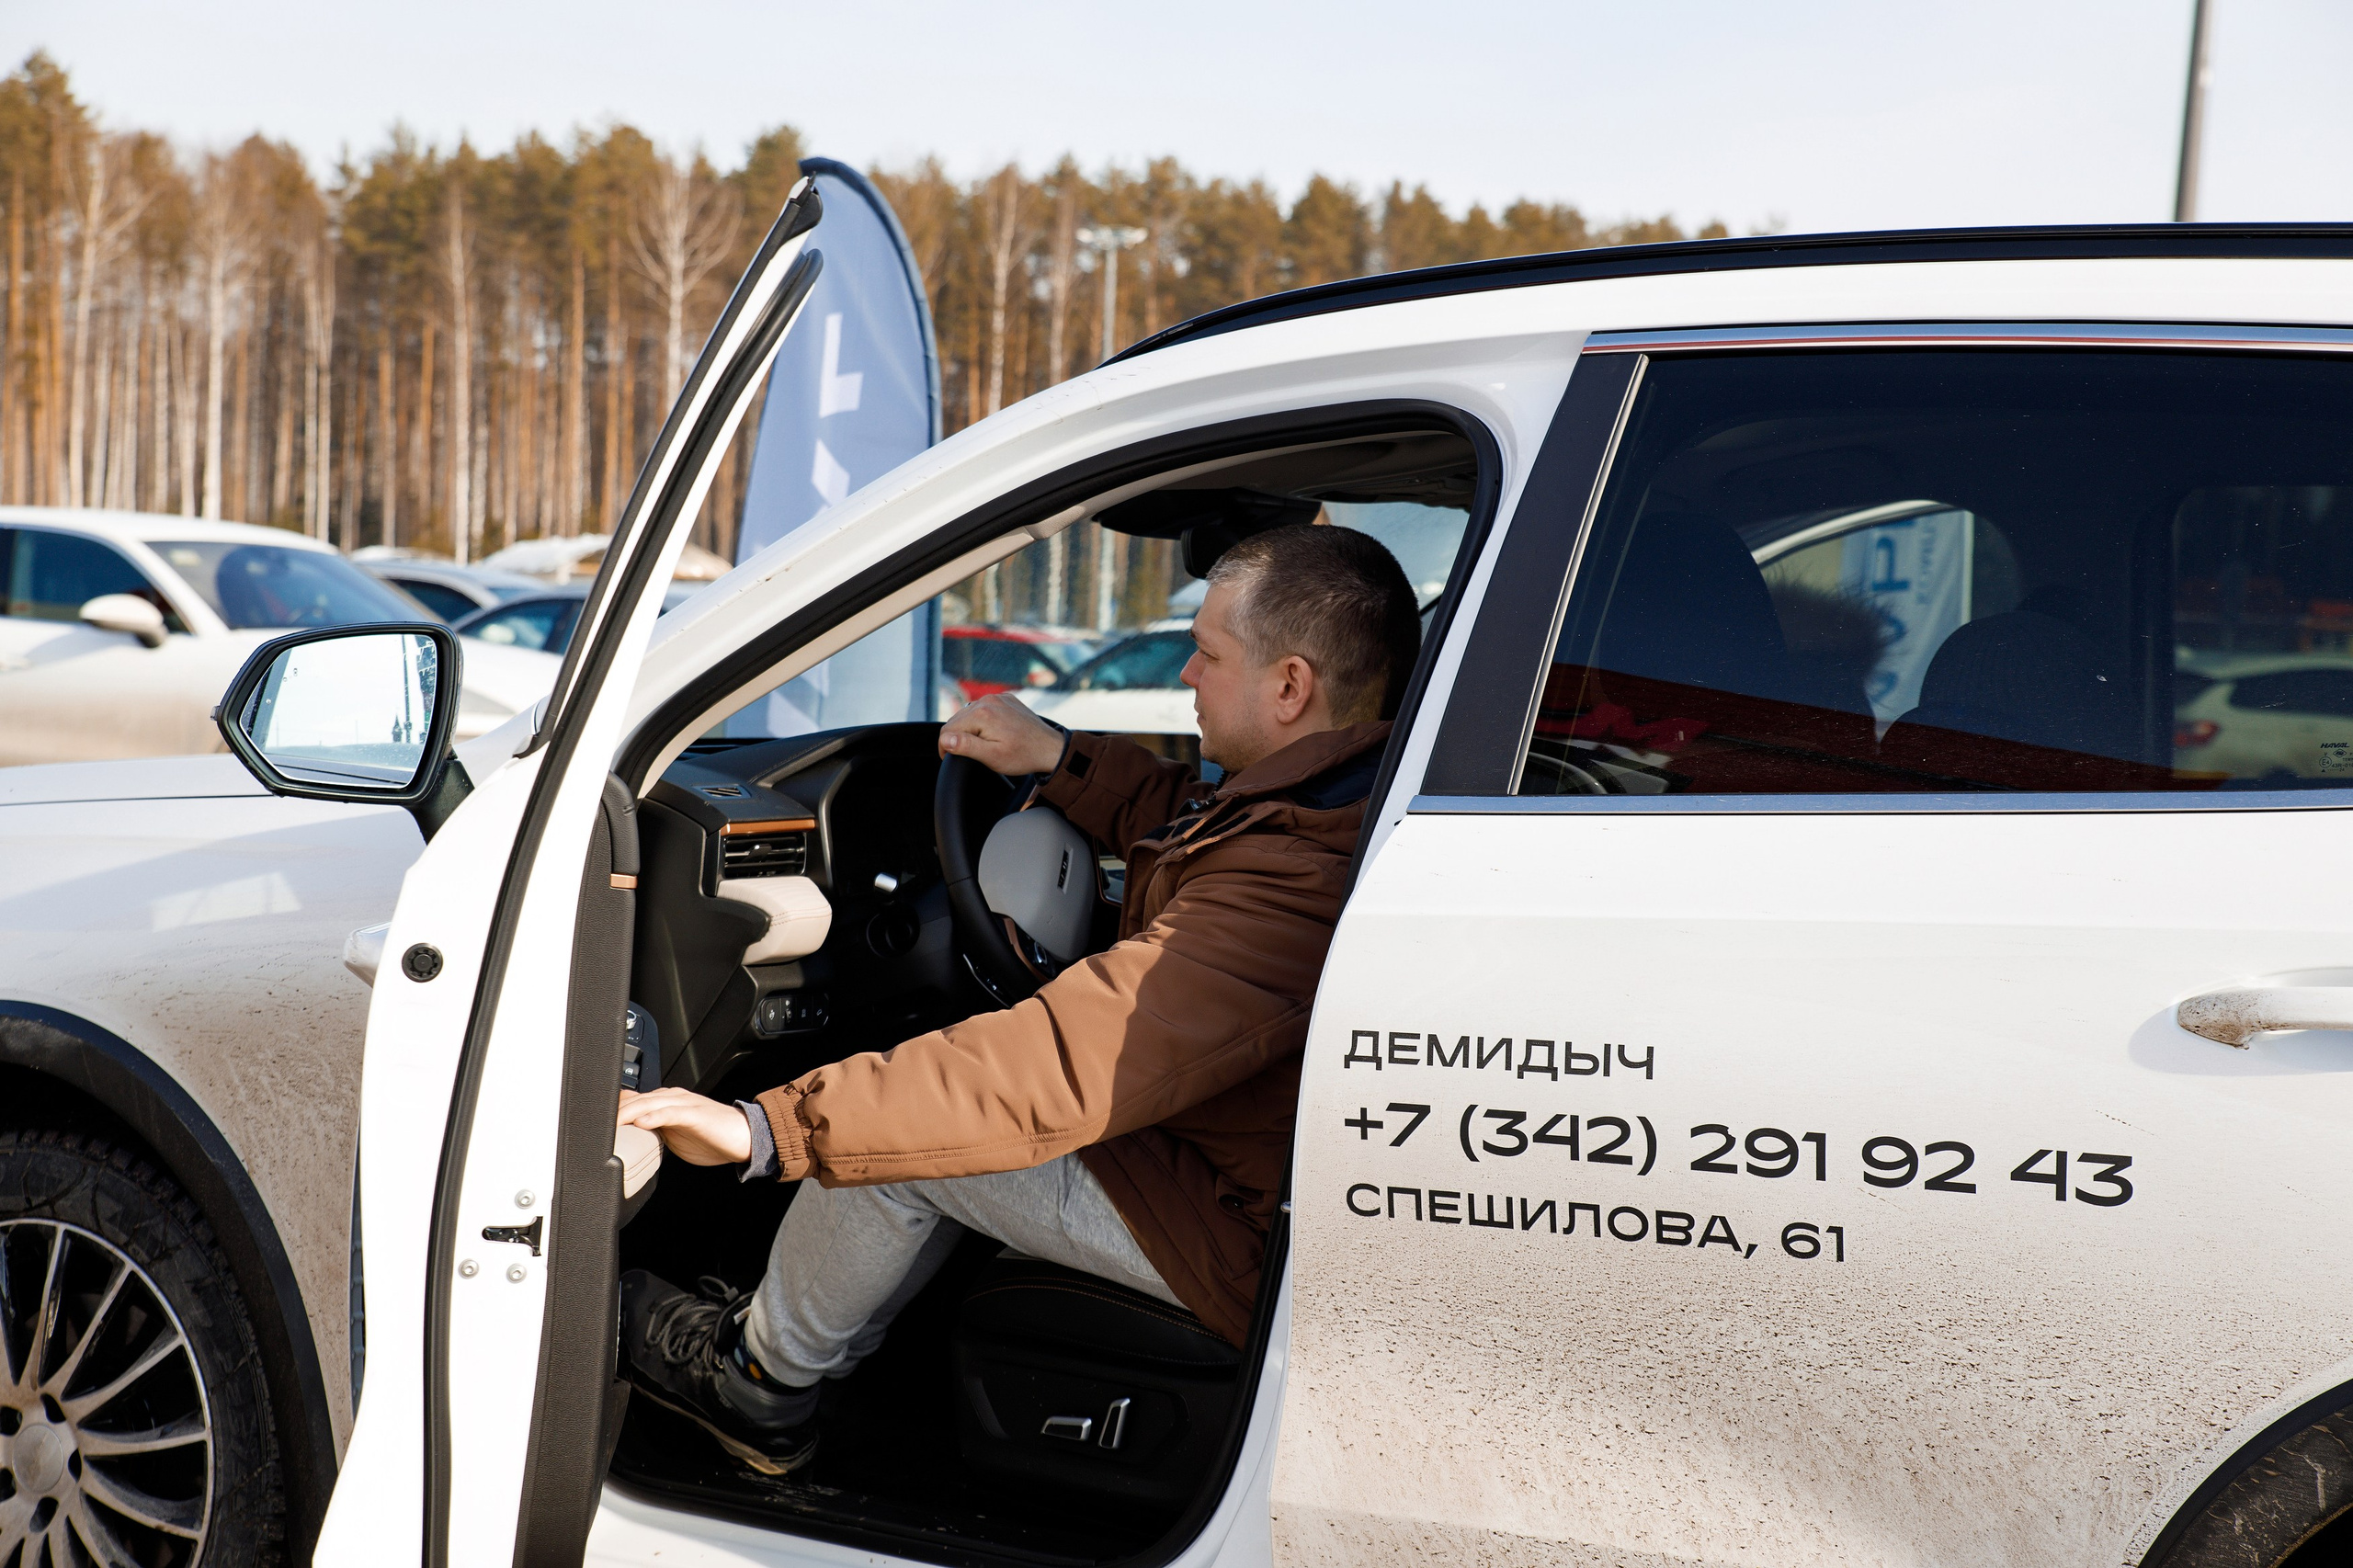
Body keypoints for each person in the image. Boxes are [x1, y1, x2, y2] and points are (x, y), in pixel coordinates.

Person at [615, 521, 1421, 1474]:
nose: (1188, 677)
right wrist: (1062, 760)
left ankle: (759, 1378)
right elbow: (1204, 827)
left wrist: (767, 1126)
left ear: (1289, 687)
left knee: (905, 1142)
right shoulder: (1339, 796)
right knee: (928, 1090)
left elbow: (1056, 1064)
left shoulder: (1293, 880)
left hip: (1231, 1233)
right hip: (1222, 1168)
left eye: (1207, 654)